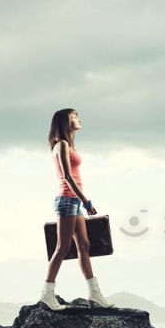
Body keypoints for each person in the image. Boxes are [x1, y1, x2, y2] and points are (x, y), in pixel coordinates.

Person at [38, 108, 114, 310]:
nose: (78, 119)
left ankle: (95, 295)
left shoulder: (68, 145)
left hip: (74, 202)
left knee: (84, 245)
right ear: (64, 122)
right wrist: (86, 201)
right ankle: (46, 294)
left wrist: (81, 201)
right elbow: (67, 177)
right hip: (67, 200)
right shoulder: (61, 145)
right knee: (62, 247)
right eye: (74, 117)